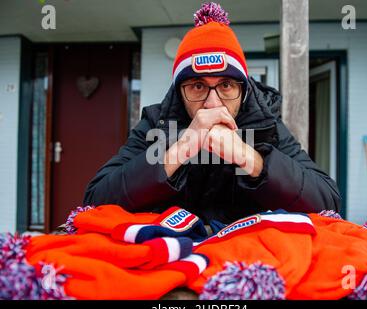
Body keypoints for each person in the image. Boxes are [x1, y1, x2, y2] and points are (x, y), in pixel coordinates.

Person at [83, 2, 341, 224]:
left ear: (244, 89)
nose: (212, 103)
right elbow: (95, 201)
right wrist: (178, 150)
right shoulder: (158, 123)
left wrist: (251, 159)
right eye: (197, 86)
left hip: (246, 262)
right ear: (178, 91)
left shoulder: (264, 123)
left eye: (226, 85)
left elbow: (327, 201)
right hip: (176, 257)